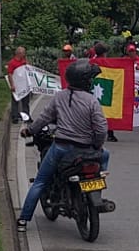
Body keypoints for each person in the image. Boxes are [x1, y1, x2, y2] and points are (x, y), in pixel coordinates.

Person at [17, 60, 113, 231]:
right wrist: (97, 145)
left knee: (40, 181)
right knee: (104, 155)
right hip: (87, 149)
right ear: (85, 81)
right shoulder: (92, 101)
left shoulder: (59, 97)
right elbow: (101, 128)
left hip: (61, 148)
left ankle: (23, 220)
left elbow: (44, 118)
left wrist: (30, 131)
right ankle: (97, 190)